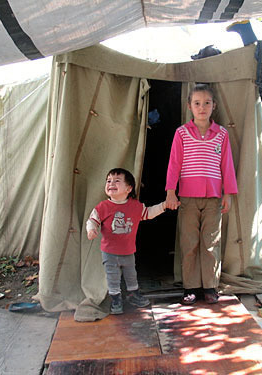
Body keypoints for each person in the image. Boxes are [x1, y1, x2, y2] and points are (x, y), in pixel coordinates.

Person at [165, 83, 238, 305]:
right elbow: (174, 164)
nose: (202, 107)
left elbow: (227, 166)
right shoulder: (182, 133)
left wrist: (228, 194)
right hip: (187, 197)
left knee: (210, 243)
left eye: (207, 103)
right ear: (189, 106)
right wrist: (170, 192)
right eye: (197, 103)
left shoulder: (222, 134)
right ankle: (191, 287)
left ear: (214, 106)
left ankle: (210, 287)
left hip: (214, 198)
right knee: (190, 243)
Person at [86, 168, 167, 314]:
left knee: (131, 274)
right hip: (109, 252)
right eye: (108, 181)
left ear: (129, 188)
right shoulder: (103, 206)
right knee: (113, 277)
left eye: (117, 181)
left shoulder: (135, 206)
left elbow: (148, 213)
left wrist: (163, 206)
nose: (111, 183)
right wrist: (91, 230)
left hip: (128, 251)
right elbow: (92, 220)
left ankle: (133, 295)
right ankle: (116, 299)